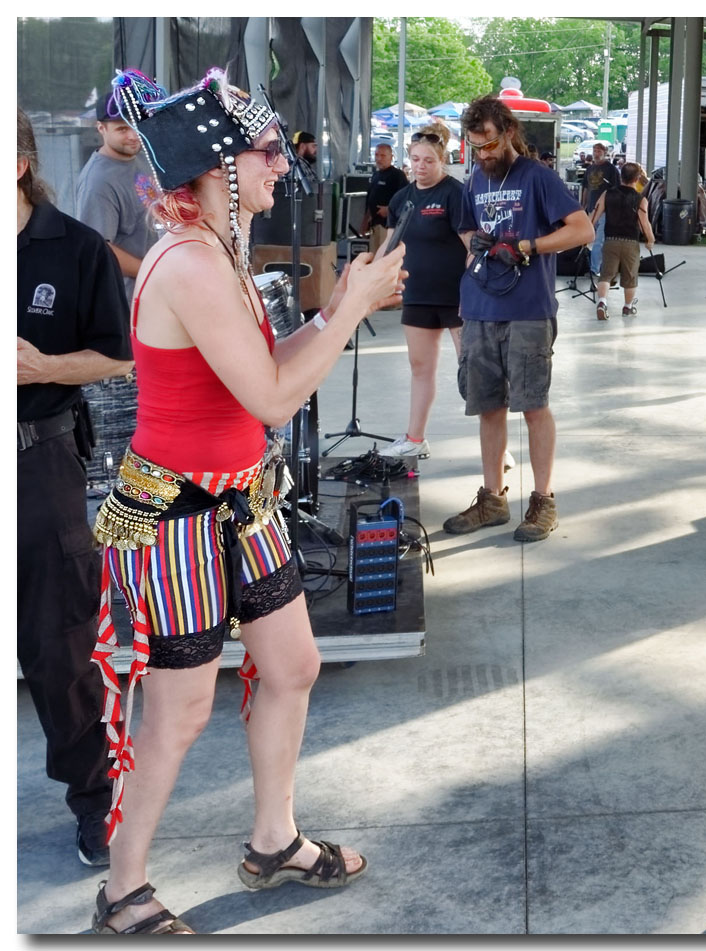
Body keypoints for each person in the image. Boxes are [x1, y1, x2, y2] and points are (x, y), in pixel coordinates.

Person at [86, 68, 404, 934]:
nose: (282, 164)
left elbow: (262, 372)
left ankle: (273, 839)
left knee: (293, 665)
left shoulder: (219, 252)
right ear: (218, 167)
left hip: (241, 502)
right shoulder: (190, 261)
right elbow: (271, 398)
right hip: (179, 517)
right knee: (180, 710)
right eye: (267, 151)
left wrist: (334, 311)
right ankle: (122, 889)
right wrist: (350, 311)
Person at [17, 107, 134, 870]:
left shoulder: (75, 247)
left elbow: (116, 356)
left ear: (19, 163)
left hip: (39, 462)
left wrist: (44, 367)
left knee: (58, 643)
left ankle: (95, 798)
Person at [443, 95, 592, 543]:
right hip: (480, 307)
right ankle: (493, 499)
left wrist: (529, 246)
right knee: (488, 406)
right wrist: (475, 242)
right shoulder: (474, 179)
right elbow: (465, 227)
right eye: (475, 147)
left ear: (508, 132)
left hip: (528, 309)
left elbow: (581, 229)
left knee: (533, 405)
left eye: (489, 144)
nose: (483, 154)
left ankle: (544, 501)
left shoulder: (537, 177)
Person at [381, 123, 474, 461]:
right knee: (420, 368)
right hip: (418, 294)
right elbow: (389, 249)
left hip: (457, 297)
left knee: (474, 370)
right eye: (416, 160)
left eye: (429, 161)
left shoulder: (455, 194)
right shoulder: (401, 199)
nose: (420, 167)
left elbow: (472, 248)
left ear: (442, 160)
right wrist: (365, 283)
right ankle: (415, 438)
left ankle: (497, 446)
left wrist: (473, 293)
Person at [74, 93, 160, 302]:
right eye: (122, 129)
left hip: (156, 289)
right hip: (127, 300)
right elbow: (98, 248)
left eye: (136, 125)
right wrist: (152, 272)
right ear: (101, 128)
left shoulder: (142, 157)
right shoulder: (97, 182)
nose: (133, 135)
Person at [593, 161, 655, 320]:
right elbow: (644, 223)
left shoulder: (607, 194)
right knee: (630, 277)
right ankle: (628, 307)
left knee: (606, 274)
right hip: (630, 243)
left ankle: (602, 302)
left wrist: (586, 232)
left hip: (611, 240)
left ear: (621, 176)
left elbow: (595, 214)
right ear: (637, 178)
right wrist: (650, 239)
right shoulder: (640, 199)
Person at [583, 141, 621, 278]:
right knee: (587, 239)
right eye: (594, 151)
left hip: (605, 210)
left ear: (605, 153)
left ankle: (594, 269)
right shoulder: (589, 168)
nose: (596, 153)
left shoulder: (611, 169)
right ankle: (589, 265)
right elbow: (586, 188)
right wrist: (583, 205)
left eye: (599, 151)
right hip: (591, 209)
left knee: (599, 240)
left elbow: (616, 190)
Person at [363, 142, 408, 253]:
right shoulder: (376, 175)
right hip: (374, 225)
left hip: (388, 226)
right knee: (374, 256)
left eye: (383, 155)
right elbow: (370, 199)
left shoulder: (398, 175)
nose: (379, 159)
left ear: (391, 157)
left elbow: (406, 198)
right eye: (376, 155)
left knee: (385, 256)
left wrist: (389, 209)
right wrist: (365, 220)